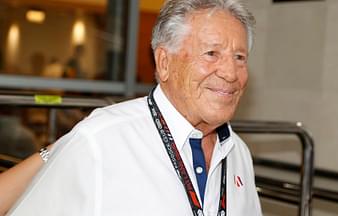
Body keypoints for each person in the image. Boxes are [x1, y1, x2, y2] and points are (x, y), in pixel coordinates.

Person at [4, 0, 262, 215]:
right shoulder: (100, 141)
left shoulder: (238, 153)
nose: (231, 73)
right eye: (211, 54)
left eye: (239, 57)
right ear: (164, 63)